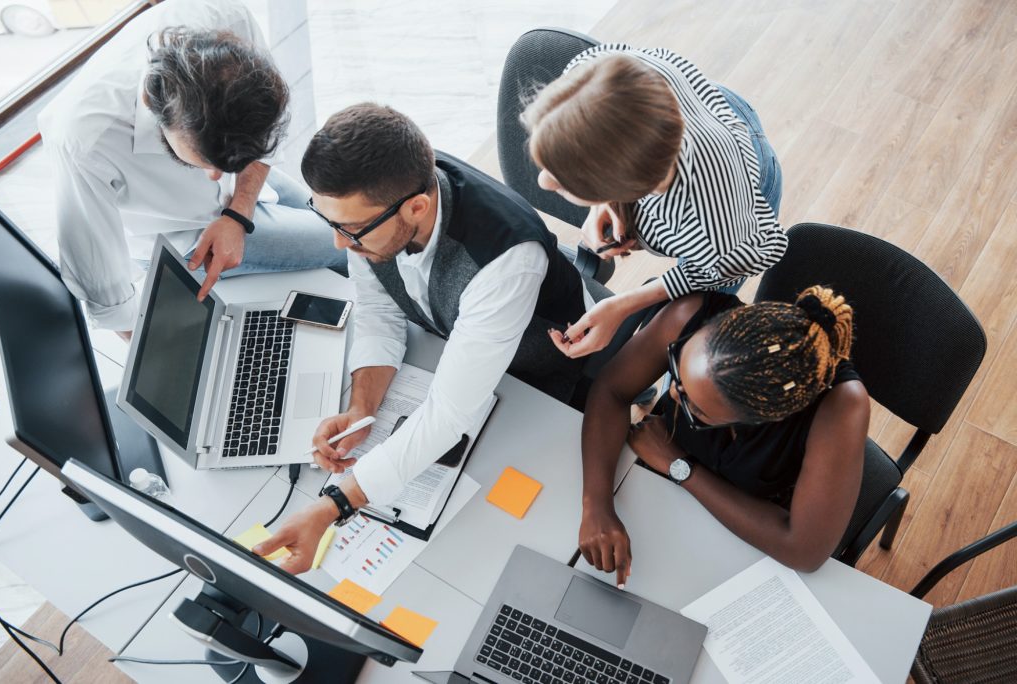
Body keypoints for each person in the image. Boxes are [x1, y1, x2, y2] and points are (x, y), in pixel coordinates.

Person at [254, 103, 594, 573]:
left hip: (543, 372)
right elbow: (377, 308)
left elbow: (451, 413)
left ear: (417, 207)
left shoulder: (505, 257)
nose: (339, 245)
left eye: (351, 231)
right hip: (454, 344)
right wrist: (362, 409)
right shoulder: (382, 203)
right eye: (330, 222)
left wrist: (332, 505)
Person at [38, 0, 346, 337]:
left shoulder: (226, 19)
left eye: (224, 164)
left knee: (352, 224)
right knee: (350, 240)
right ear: (149, 104)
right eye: (200, 161)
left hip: (250, 191)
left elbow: (267, 126)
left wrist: (239, 213)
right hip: (184, 236)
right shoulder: (83, 141)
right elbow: (101, 286)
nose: (216, 175)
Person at [578, 286, 869, 584]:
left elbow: (803, 552)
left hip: (748, 531)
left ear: (763, 418)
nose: (674, 397)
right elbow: (612, 389)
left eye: (697, 409)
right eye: (678, 373)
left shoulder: (841, 408)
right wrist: (596, 505)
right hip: (657, 494)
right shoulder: (691, 312)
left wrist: (680, 466)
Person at [522, 44, 787, 358]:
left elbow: (718, 268)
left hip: (737, 195)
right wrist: (603, 203)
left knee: (695, 318)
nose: (543, 181)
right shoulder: (595, 70)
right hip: (705, 111)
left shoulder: (716, 230)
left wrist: (624, 304)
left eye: (564, 179)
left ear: (628, 184)